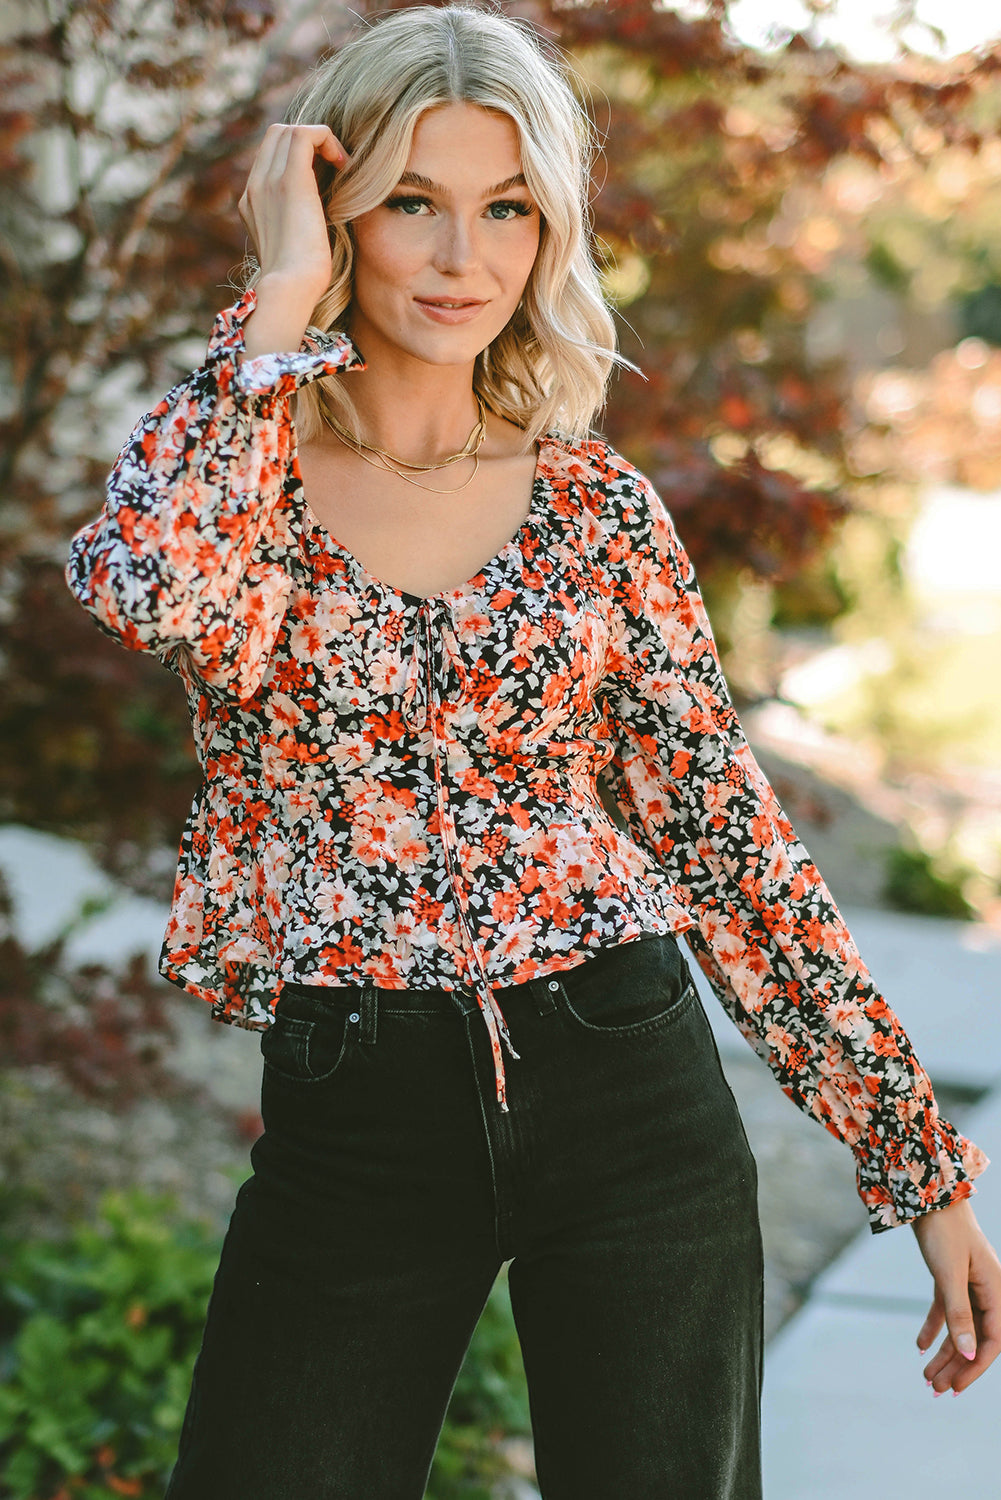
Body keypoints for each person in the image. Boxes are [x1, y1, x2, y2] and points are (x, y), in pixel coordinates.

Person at [65, 5, 1000, 1497]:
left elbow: (725, 843)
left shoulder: (592, 512)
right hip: (358, 1110)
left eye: (507, 209)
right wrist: (280, 302)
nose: (461, 259)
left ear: (549, 227)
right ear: (337, 210)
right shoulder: (239, 476)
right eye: (410, 204)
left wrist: (919, 1165)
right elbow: (148, 592)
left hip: (628, 1083)